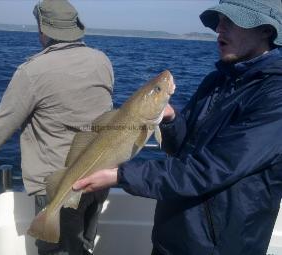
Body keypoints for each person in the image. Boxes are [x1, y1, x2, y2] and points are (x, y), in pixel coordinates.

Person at [73, 0, 282, 254]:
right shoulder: (217, 80)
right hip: (172, 236)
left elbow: (212, 169)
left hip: (219, 247)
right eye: (218, 21)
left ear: (266, 31)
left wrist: (121, 175)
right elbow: (183, 148)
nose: (219, 29)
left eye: (232, 21)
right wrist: (171, 120)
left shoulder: (275, 95)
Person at [0, 0, 114, 254]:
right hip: (98, 176)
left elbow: (1, 125)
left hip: (60, 184)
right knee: (84, 244)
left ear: (43, 30)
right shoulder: (102, 61)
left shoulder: (32, 71)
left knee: (57, 249)